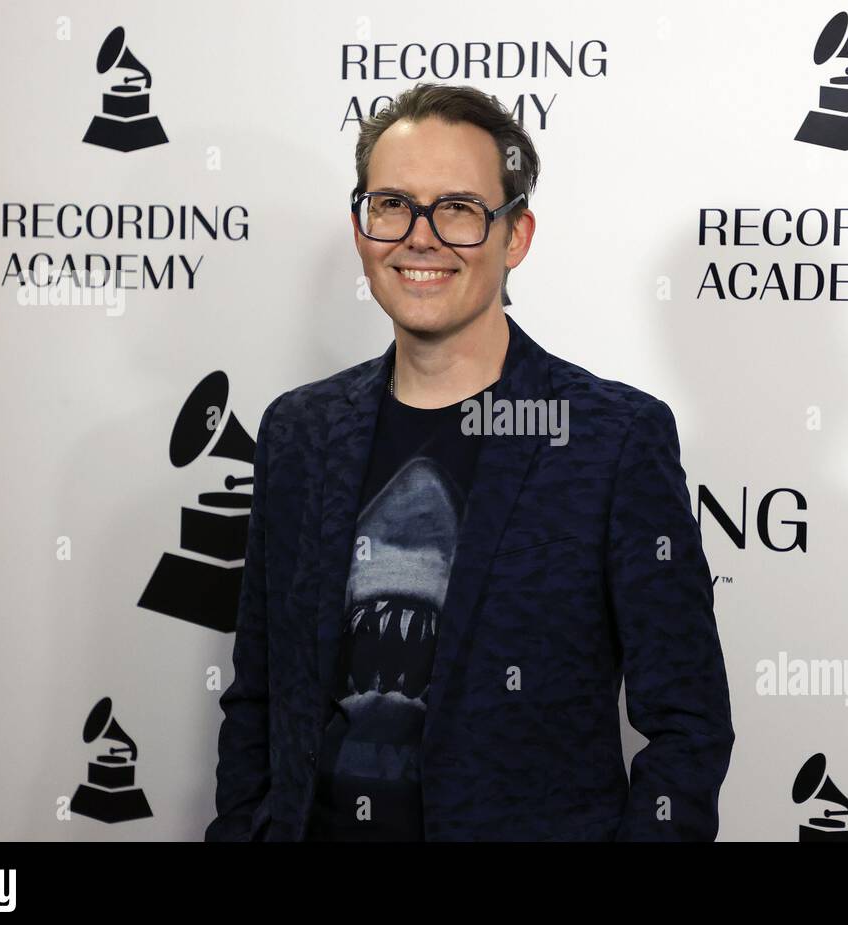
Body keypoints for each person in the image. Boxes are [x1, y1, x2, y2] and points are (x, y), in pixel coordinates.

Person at [206, 82, 734, 842]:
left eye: (457, 208)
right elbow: (258, 694)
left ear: (515, 235)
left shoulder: (614, 438)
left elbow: (689, 726)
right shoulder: (299, 430)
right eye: (392, 204)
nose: (420, 237)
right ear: (361, 227)